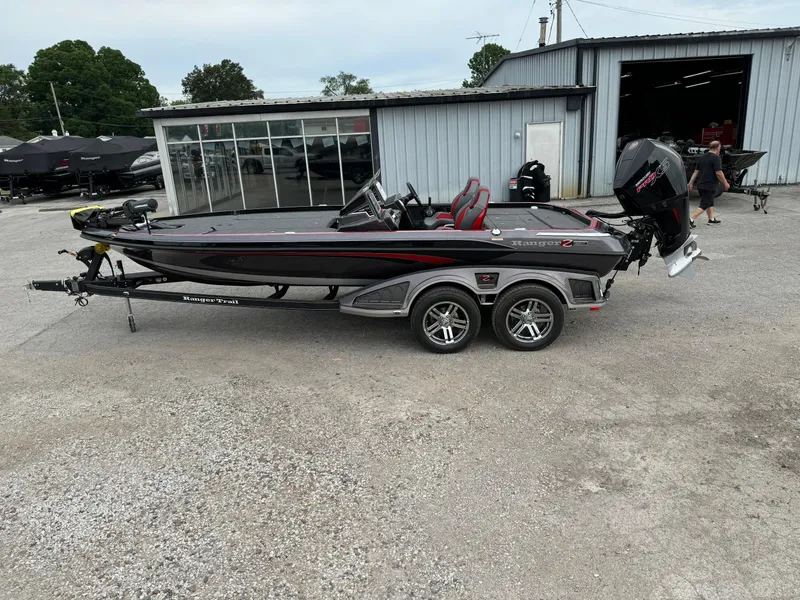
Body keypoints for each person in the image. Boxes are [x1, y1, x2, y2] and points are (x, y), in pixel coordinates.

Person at [687, 140, 729, 227]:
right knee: (705, 204)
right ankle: (690, 219)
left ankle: (711, 219)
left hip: (700, 185)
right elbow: (719, 172)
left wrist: (690, 183)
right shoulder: (716, 158)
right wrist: (725, 183)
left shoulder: (702, 157)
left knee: (709, 202)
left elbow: (696, 172)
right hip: (709, 185)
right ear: (718, 147)